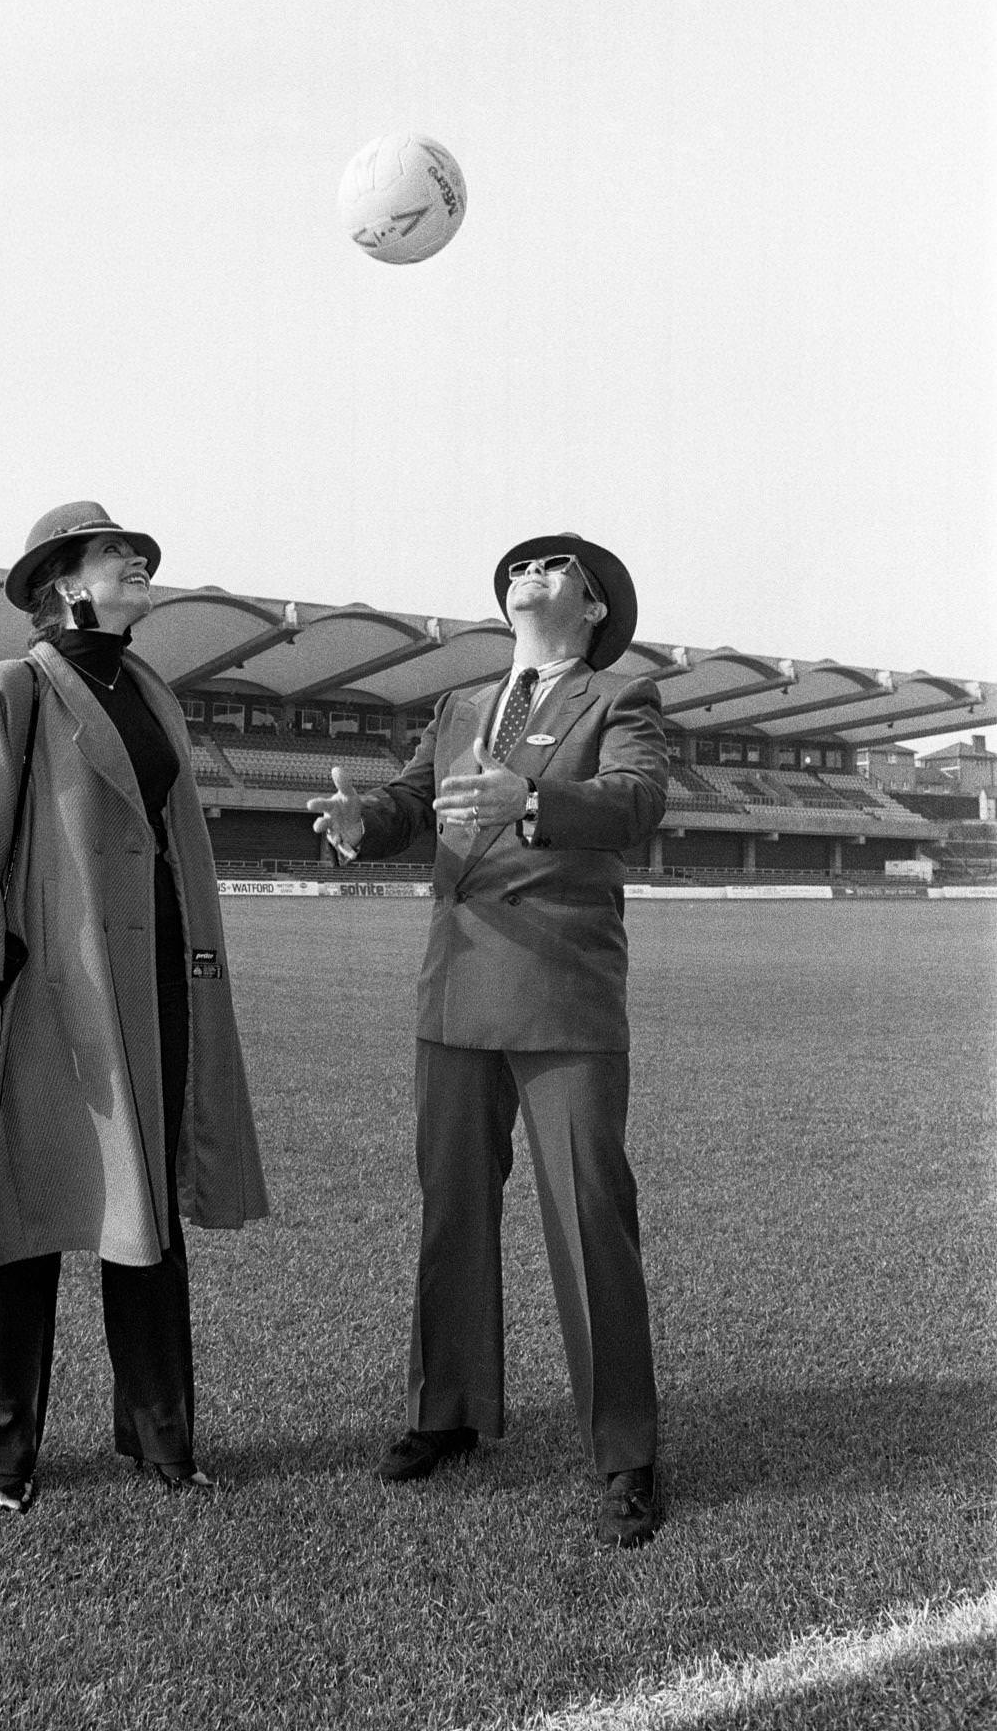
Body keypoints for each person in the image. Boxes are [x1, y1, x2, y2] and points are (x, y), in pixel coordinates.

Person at [307, 533, 667, 1548]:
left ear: (591, 607)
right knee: (450, 1205)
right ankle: (448, 1411)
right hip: (457, 978)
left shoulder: (618, 698)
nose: (526, 572)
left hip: (559, 987)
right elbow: (411, 799)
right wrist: (356, 822)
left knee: (590, 1215)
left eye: (552, 565)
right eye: (516, 564)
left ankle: (625, 1448)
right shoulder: (463, 705)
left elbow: (638, 804)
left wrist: (538, 800)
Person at [0, 500, 269, 1513]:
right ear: (63, 581)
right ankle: (3, 1450)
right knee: (24, 1211)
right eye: (117, 552)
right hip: (52, 987)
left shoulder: (153, 690)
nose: (138, 562)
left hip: (159, 981)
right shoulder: (8, 689)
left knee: (149, 1212)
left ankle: (160, 1438)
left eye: (138, 553)